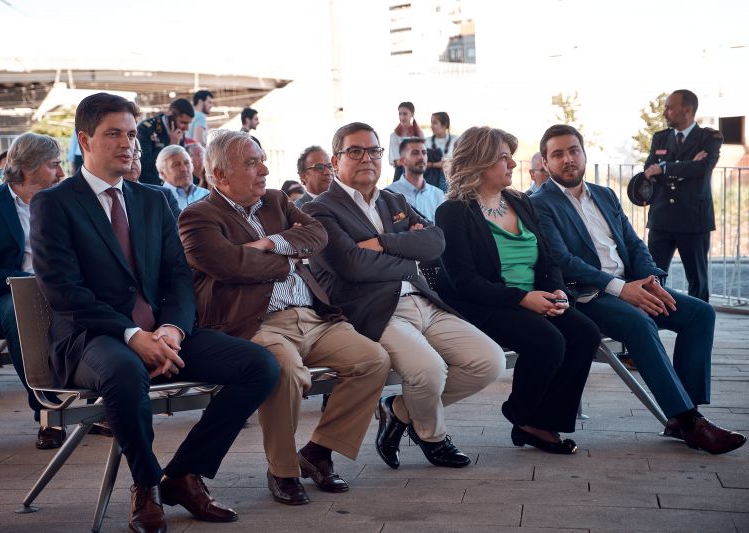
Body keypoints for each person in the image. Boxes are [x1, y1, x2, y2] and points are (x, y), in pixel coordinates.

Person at [29, 93, 279, 532]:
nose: (127, 144)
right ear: (85, 140)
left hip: (161, 334)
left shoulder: (153, 199)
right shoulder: (55, 203)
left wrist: (172, 329)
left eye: (130, 134)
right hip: (91, 339)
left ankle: (184, 474)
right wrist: (132, 335)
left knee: (260, 365)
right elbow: (64, 292)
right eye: (113, 134)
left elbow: (178, 278)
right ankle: (145, 486)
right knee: (125, 371)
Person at [178, 129, 390, 505]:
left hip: (312, 316)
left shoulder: (276, 200)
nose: (264, 169)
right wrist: (288, 257)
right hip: (255, 323)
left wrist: (269, 243)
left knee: (373, 360)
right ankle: (283, 469)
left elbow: (318, 235)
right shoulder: (197, 217)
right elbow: (230, 265)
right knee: (285, 371)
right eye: (251, 163)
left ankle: (318, 451)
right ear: (220, 175)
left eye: (262, 160)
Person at [530, 124, 745, 455]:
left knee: (700, 313)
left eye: (574, 150)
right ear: (545, 162)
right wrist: (621, 289)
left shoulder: (604, 194)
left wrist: (651, 280)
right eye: (558, 154)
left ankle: (682, 417)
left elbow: (633, 244)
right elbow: (563, 260)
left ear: (584, 153)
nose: (568, 159)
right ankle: (691, 422)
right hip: (586, 297)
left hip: (632, 286)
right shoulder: (539, 203)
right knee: (639, 323)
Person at [303, 122, 505, 469]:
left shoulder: (393, 200)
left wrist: (382, 243)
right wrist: (408, 257)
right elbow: (351, 265)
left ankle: (398, 410)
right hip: (375, 310)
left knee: (489, 361)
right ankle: (433, 436)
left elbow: (436, 242)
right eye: (355, 151)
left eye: (374, 151)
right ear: (335, 162)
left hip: (424, 302)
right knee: (429, 371)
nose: (367, 158)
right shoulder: (319, 209)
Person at [435, 126, 599, 454]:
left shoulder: (520, 201)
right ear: (480, 162)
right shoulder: (453, 212)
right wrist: (523, 298)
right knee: (548, 341)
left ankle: (543, 421)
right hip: (485, 304)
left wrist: (556, 291)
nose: (512, 164)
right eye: (504, 157)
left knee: (586, 334)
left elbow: (548, 260)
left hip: (533, 298)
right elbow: (464, 281)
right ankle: (522, 415)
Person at [0, 132, 66, 449]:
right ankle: (48, 413)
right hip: (4, 297)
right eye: (53, 164)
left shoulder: (61, 202)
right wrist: (27, 281)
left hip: (61, 290)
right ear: (30, 167)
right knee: (21, 307)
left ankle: (102, 407)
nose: (60, 171)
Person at [644, 90, 721, 302]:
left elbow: (703, 168)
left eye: (669, 108)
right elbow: (649, 170)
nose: (665, 112)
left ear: (687, 110)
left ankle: (700, 319)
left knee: (697, 280)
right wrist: (686, 166)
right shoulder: (660, 138)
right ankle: (652, 320)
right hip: (661, 218)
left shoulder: (709, 138)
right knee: (653, 279)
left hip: (693, 219)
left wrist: (665, 168)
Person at [384, 137, 444, 222]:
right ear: (402, 160)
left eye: (424, 153)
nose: (421, 157)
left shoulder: (438, 195)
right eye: (415, 153)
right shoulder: (389, 194)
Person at [137, 98, 195, 185]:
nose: (187, 128)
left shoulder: (179, 130)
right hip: (150, 185)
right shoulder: (146, 129)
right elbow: (144, 164)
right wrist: (170, 146)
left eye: (188, 123)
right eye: (183, 122)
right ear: (171, 117)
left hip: (172, 185)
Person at [124, 143, 182, 220]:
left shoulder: (164, 195)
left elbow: (180, 225)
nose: (132, 160)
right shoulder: (111, 197)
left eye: (135, 154)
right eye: (125, 155)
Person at [156, 145, 209, 209]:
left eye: (187, 163)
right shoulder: (157, 200)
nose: (184, 169)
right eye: (176, 165)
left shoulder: (206, 195)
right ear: (163, 173)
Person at [388, 102, 423, 181]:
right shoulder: (394, 136)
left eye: (405, 114)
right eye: (400, 114)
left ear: (412, 114)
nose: (402, 117)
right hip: (401, 172)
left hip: (418, 173)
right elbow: (396, 161)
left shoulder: (419, 134)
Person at [424, 112, 455, 191]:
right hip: (429, 179)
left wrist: (432, 164)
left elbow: (457, 162)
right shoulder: (426, 141)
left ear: (445, 124)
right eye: (431, 122)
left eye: (435, 123)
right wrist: (438, 165)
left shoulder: (455, 140)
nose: (431, 126)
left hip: (448, 179)